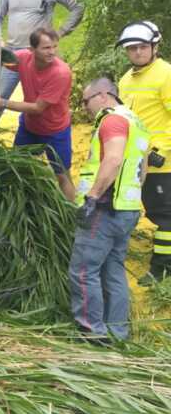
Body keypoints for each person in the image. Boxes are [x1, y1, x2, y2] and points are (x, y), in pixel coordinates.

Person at [69, 77, 149, 342]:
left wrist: (92, 197)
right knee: (113, 268)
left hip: (104, 208)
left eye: (86, 101)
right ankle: (118, 332)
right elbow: (143, 169)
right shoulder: (135, 121)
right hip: (128, 208)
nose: (85, 107)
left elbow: (113, 159)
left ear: (103, 96)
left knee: (83, 270)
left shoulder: (112, 119)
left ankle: (92, 332)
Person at [0, 0, 85, 119]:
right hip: (13, 55)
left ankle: (41, 139)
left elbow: (78, 6)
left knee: (43, 104)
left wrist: (61, 31)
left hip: (41, 57)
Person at [116, 20, 171, 284]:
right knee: (152, 211)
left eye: (141, 47)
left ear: (154, 46)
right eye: (131, 49)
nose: (137, 52)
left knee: (164, 215)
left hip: (162, 161)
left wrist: (161, 150)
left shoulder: (166, 74)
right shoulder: (125, 80)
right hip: (136, 159)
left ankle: (161, 269)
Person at [0, 26, 77, 201]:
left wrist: (1, 102)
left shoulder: (60, 73)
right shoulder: (23, 58)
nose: (52, 52)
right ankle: (23, 202)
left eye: (55, 47)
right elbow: (1, 59)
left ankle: (71, 215)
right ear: (31, 50)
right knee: (16, 166)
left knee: (62, 176)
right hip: (30, 127)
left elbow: (37, 108)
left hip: (55, 131)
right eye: (46, 48)